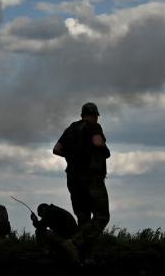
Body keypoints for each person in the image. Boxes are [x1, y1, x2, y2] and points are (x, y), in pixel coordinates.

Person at [53, 102, 111, 262]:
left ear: (82, 114)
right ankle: (74, 243)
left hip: (73, 178)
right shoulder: (93, 127)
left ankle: (84, 257)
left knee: (83, 218)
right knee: (101, 217)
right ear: (95, 115)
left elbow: (56, 149)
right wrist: (104, 151)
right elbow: (98, 142)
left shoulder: (71, 128)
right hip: (91, 178)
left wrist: (72, 156)